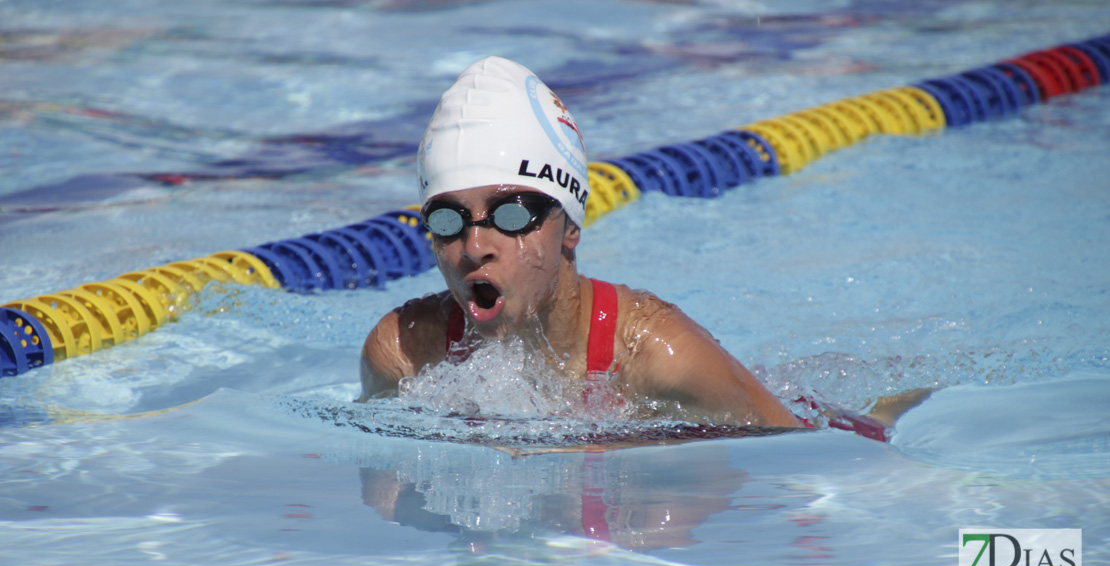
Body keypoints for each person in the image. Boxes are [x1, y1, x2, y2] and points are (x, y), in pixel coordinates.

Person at [359, 57, 922, 434]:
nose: (475, 245)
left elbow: (797, 461)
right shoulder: (404, 355)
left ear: (570, 227)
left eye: (510, 214)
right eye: (449, 220)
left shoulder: (659, 356)